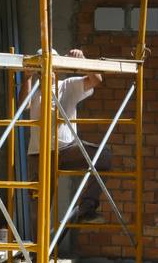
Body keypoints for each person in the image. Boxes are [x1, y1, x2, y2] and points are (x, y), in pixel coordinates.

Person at [23, 48, 114, 223]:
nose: (47, 70)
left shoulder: (68, 85)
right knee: (38, 211)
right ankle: (39, 250)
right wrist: (27, 77)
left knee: (104, 157)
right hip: (39, 154)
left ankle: (87, 206)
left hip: (67, 149)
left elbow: (96, 80)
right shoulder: (35, 89)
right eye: (42, 66)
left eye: (50, 66)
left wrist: (83, 60)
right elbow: (22, 105)